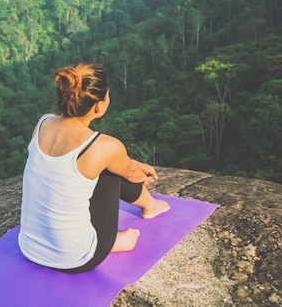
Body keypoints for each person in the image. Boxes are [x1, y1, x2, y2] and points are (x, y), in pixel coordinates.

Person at [18, 63, 171, 273]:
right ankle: (146, 212)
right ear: (99, 106)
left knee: (104, 167)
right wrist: (137, 169)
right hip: (78, 259)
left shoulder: (43, 122)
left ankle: (141, 214)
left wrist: (133, 164)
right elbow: (132, 175)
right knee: (111, 172)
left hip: (30, 248)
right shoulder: (105, 146)